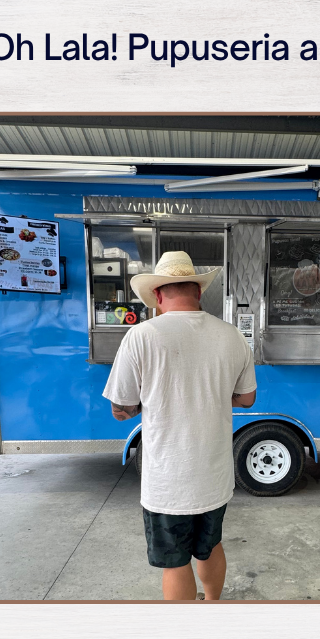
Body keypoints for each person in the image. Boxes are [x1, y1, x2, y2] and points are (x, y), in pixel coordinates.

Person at [103, 251, 256, 601]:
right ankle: (213, 604)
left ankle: (187, 634)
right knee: (210, 546)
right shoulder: (232, 336)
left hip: (168, 479)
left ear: (157, 295)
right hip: (215, 474)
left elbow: (121, 407)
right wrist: (215, 395)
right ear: (198, 292)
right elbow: (247, 399)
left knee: (175, 563)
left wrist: (141, 404)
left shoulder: (141, 336)